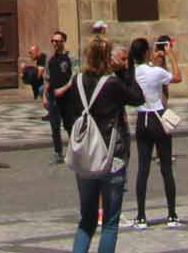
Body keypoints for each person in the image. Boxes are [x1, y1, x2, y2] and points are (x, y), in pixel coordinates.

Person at [55, 34, 142, 253]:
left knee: (87, 220)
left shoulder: (76, 81)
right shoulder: (111, 83)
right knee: (110, 223)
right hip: (112, 155)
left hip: (85, 156)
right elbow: (137, 98)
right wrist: (125, 69)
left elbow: (69, 110)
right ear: (108, 58)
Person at [129, 34, 177, 228]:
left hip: (142, 118)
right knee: (165, 167)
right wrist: (170, 55)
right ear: (147, 52)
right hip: (158, 116)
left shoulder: (133, 72)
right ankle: (172, 215)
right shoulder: (155, 71)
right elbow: (177, 77)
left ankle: (141, 216)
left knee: (143, 169)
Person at [46, 30, 74, 163]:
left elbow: (75, 77)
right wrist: (45, 97)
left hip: (67, 98)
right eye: (53, 41)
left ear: (63, 42)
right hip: (53, 98)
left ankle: (75, 151)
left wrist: (64, 89)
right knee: (55, 126)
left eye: (57, 41)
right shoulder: (51, 60)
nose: (54, 43)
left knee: (70, 125)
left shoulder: (70, 58)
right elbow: (47, 78)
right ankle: (58, 153)